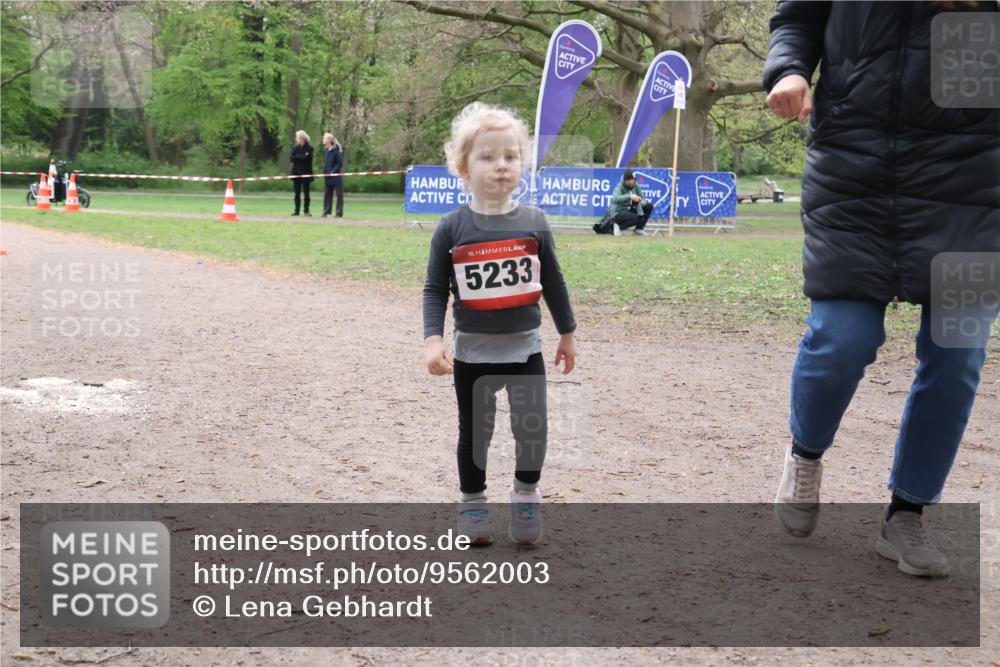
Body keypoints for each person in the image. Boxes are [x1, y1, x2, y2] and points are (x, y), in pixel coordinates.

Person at [765, 0, 998, 577]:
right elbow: (798, 16)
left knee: (957, 353)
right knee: (841, 339)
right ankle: (805, 456)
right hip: (854, 171)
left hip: (969, 183)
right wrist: (789, 69)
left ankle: (907, 513)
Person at [423, 102, 577, 546]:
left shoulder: (534, 222)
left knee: (533, 429)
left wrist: (567, 333)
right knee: (475, 433)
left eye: (510, 156)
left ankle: (525, 497)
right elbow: (434, 289)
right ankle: (472, 504)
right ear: (463, 168)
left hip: (525, 349)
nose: (501, 165)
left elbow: (553, 281)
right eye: (488, 157)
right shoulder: (451, 227)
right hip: (473, 355)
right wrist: (433, 340)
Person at [606, 170, 654, 236]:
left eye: (632, 179)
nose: (630, 182)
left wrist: (640, 201)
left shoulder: (636, 185)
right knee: (637, 218)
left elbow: (643, 199)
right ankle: (616, 226)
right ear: (625, 180)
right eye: (628, 180)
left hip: (629, 209)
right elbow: (615, 198)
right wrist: (630, 196)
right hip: (618, 212)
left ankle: (639, 229)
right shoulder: (619, 187)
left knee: (649, 206)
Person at [290, 130, 314, 216]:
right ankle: (297, 211)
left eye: (297, 137)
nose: (296, 139)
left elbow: (308, 158)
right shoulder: (295, 148)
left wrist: (298, 157)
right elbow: (292, 158)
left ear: (302, 138)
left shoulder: (310, 148)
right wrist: (302, 157)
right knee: (297, 193)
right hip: (296, 173)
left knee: (306, 193)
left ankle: (306, 210)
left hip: (306, 173)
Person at [321, 133, 344, 218]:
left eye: (325, 138)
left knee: (339, 195)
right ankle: (326, 211)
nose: (323, 140)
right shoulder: (325, 150)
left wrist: (333, 171)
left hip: (336, 177)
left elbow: (339, 163)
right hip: (328, 177)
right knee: (327, 195)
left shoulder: (336, 150)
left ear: (329, 140)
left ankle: (339, 213)